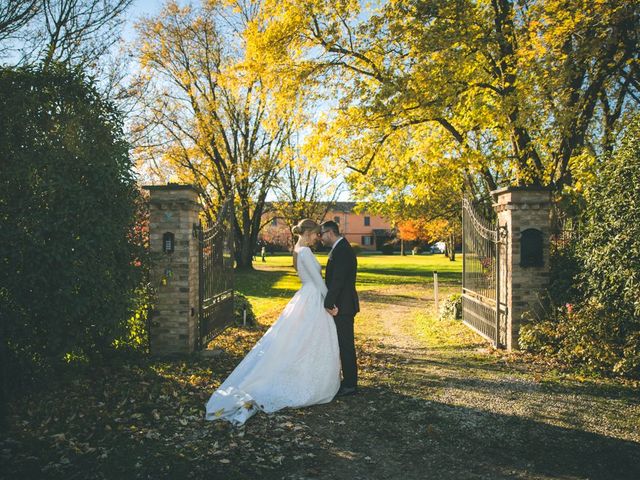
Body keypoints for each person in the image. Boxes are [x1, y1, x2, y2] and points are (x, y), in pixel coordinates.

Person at [205, 219, 340, 425]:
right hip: (313, 297)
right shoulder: (304, 251)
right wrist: (329, 304)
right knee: (309, 340)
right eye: (315, 234)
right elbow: (318, 281)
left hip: (305, 295)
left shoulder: (297, 250)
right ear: (308, 233)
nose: (317, 238)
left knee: (299, 339)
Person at [319, 221, 360, 396]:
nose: (320, 238)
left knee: (346, 345)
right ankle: (348, 381)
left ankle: (350, 384)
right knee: (343, 344)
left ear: (329, 232)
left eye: (321, 234)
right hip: (342, 304)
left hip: (342, 306)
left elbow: (338, 280)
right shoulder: (340, 247)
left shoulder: (342, 250)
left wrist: (328, 302)